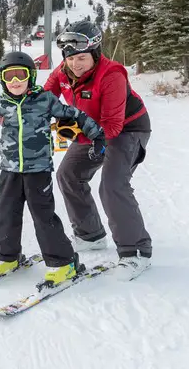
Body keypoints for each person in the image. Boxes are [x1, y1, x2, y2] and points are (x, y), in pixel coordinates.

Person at [0, 51, 104, 288]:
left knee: (43, 216)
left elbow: (75, 115)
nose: (15, 81)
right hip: (9, 168)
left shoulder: (45, 100)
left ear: (31, 77)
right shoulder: (0, 103)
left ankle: (63, 263)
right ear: (3, 79)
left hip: (38, 169)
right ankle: (7, 257)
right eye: (10, 76)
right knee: (5, 213)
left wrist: (97, 134)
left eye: (21, 75)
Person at [43, 20, 153, 280]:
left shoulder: (112, 74)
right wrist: (7, 114)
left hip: (127, 130)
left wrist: (76, 131)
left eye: (81, 58)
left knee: (113, 185)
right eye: (70, 58)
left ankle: (136, 251)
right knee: (68, 174)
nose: (75, 64)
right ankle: (90, 235)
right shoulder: (63, 72)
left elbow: (113, 126)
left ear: (94, 53)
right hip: (91, 128)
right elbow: (42, 99)